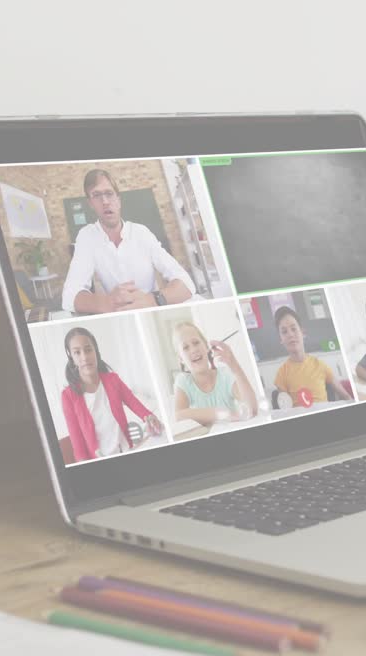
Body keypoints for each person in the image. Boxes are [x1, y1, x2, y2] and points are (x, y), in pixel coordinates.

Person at [60, 169, 195, 315]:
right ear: (91, 204)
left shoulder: (141, 233)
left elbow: (186, 284)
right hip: (118, 312)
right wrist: (106, 302)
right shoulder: (87, 236)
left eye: (109, 194)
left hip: (150, 309)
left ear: (118, 200)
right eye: (96, 195)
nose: (105, 201)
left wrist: (152, 300)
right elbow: (69, 297)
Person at [60, 327, 163, 463]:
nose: (84, 357)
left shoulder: (112, 380)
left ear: (95, 351)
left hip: (126, 450)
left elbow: (133, 401)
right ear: (71, 358)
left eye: (88, 349)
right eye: (77, 352)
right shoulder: (68, 396)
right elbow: (77, 441)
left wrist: (148, 416)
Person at [171, 321, 259, 427]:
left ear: (206, 347)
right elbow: (179, 416)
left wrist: (234, 366)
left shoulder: (225, 375)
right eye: (186, 348)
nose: (193, 350)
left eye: (196, 343)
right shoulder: (183, 381)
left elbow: (252, 409)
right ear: (181, 358)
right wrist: (223, 414)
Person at [273, 306, 354, 406]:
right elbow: (284, 410)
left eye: (293, 329)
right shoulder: (281, 374)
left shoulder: (320, 365)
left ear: (302, 333)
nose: (290, 334)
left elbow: (346, 397)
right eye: (284, 332)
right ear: (281, 339)